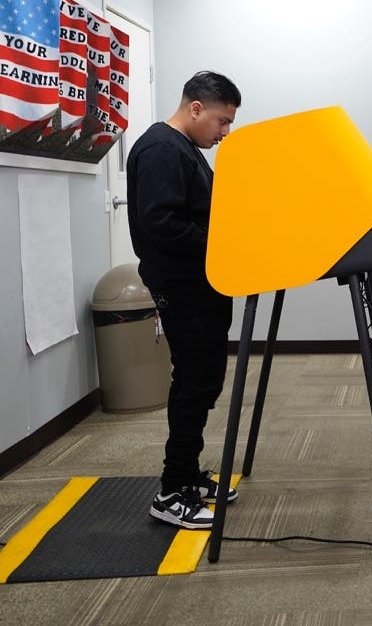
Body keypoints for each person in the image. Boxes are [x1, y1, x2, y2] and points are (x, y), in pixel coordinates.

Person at [127, 70, 242, 529]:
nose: (224, 131)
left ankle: (189, 475)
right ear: (195, 108)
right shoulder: (161, 149)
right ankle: (172, 491)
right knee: (195, 380)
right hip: (182, 285)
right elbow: (162, 225)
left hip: (201, 283)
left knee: (205, 378)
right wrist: (222, 242)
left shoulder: (185, 149)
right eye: (221, 121)